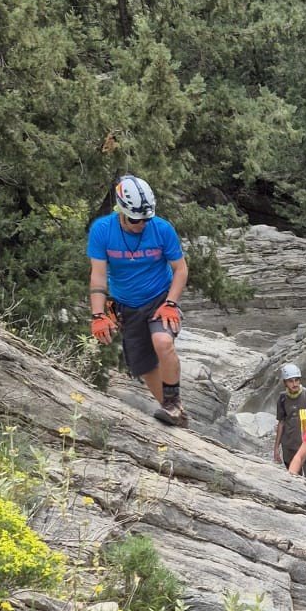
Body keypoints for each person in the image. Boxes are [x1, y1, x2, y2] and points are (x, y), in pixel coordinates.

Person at [86, 175, 189, 427]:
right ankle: (175, 413)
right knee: (143, 365)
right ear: (121, 210)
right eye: (134, 219)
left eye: (145, 219)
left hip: (159, 298)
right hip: (126, 305)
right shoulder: (102, 231)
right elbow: (98, 276)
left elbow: (181, 270)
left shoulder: (162, 229)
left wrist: (171, 303)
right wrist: (98, 315)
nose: (140, 224)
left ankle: (173, 403)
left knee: (163, 342)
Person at [273, 363, 306, 470]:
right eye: (290, 381)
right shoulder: (282, 398)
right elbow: (281, 423)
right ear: (285, 383)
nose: (294, 384)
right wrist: (276, 447)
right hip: (289, 445)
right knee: (293, 477)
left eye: (296, 380)